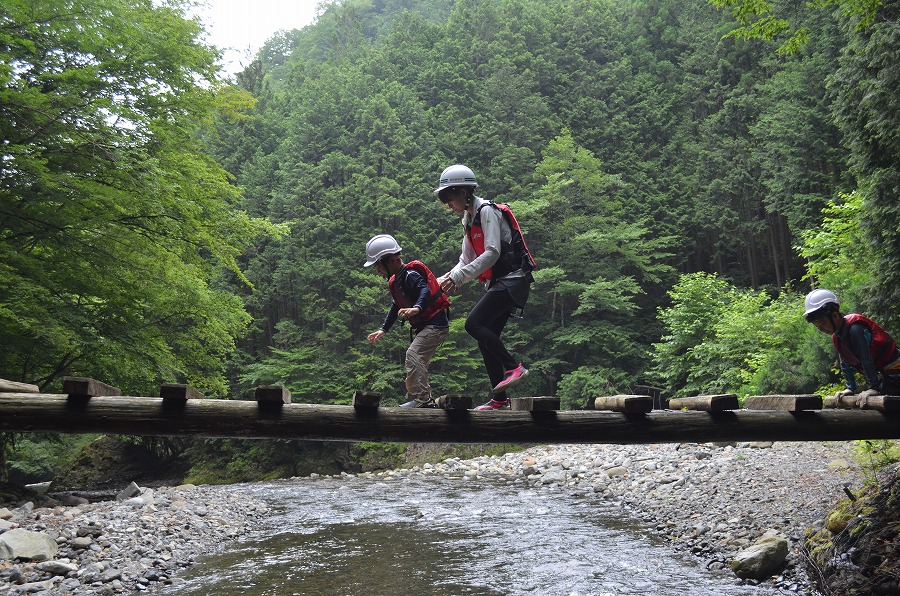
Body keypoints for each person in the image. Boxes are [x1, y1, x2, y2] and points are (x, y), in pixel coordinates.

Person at [434, 164, 536, 410]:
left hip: (513, 279)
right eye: (445, 199)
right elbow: (465, 260)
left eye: (451, 197)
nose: (449, 203)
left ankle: (514, 367)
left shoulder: (487, 211)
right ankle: (500, 399)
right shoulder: (468, 219)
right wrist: (442, 279)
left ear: (465, 192)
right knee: (486, 337)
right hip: (501, 282)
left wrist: (459, 277)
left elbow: (492, 253)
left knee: (473, 324)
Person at [365, 234, 451, 408]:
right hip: (428, 326)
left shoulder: (410, 275)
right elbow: (395, 306)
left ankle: (423, 400)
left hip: (436, 325)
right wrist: (383, 329)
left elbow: (424, 291)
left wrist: (417, 308)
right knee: (417, 359)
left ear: (392, 261)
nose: (379, 272)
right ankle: (420, 398)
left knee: (413, 355)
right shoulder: (397, 281)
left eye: (379, 267)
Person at [804, 289, 900, 399]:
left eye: (823, 323)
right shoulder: (837, 336)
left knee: (887, 402)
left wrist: (874, 388)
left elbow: (866, 358)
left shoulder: (855, 329)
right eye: (817, 326)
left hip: (895, 371)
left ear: (835, 316)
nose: (821, 329)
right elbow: (845, 362)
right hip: (884, 375)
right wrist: (850, 388)